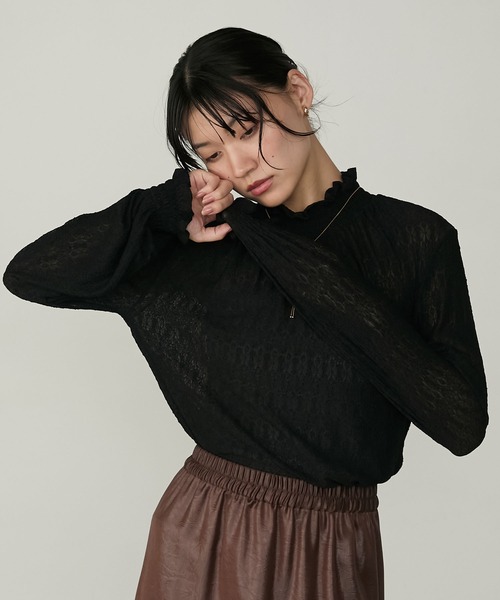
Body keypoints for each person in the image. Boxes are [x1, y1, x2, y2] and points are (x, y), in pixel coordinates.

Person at [3, 27, 488, 600]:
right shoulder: (210, 243)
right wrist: (164, 206)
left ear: (298, 92)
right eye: (211, 154)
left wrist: (301, 265)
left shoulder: (414, 240)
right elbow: (29, 273)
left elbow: (460, 424)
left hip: (333, 549)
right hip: (203, 536)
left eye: (246, 129)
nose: (238, 165)